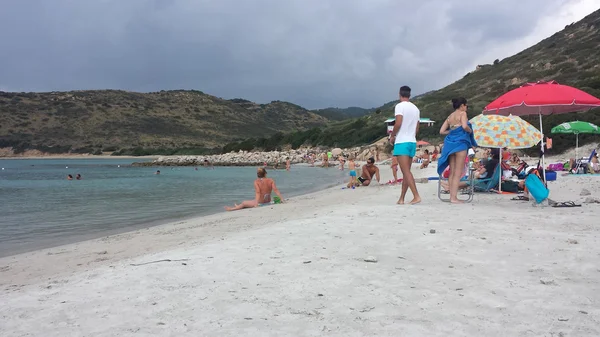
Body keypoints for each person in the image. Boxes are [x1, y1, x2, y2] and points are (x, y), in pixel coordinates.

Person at [437, 97, 477, 204]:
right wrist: (470, 130)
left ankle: (452, 196)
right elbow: (464, 126)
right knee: (457, 173)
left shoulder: (450, 116)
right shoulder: (463, 114)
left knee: (452, 172)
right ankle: (454, 198)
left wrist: (451, 132)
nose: (466, 108)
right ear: (462, 105)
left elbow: (441, 131)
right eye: (466, 105)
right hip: (460, 143)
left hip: (450, 144)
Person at [389, 85, 421, 204]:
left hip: (402, 141)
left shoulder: (399, 106)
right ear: (409, 95)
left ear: (399, 94)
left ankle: (416, 196)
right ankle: (402, 198)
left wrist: (392, 136)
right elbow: (417, 128)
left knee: (406, 172)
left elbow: (398, 123)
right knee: (407, 171)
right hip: (412, 141)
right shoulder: (416, 109)